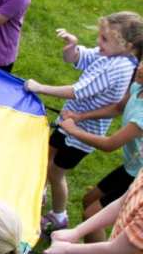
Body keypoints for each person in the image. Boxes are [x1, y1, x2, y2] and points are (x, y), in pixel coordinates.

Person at [25, 13, 141, 234]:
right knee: (45, 160)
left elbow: (78, 91)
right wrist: (72, 47)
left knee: (56, 173)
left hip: (80, 137)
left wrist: (40, 87)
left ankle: (59, 215)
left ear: (127, 45)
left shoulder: (118, 68)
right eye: (100, 36)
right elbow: (78, 58)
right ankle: (38, 195)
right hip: (69, 122)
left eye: (105, 38)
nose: (99, 42)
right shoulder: (109, 55)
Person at [48, 61, 143, 254]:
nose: (140, 68)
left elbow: (109, 144)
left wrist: (74, 129)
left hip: (137, 176)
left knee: (92, 214)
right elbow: (118, 108)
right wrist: (81, 117)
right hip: (131, 167)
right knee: (89, 200)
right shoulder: (138, 87)